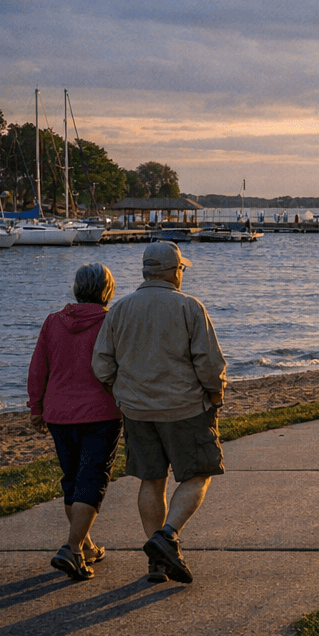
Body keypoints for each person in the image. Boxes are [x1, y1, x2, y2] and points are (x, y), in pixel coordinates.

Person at [94, 241, 227, 585]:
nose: (182, 273)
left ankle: (158, 564)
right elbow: (209, 364)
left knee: (152, 480)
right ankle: (166, 537)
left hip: (137, 411)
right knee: (199, 473)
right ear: (174, 271)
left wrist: (121, 395)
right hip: (185, 408)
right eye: (181, 268)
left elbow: (101, 365)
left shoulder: (120, 310)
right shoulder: (189, 307)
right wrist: (215, 395)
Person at [28, 262, 121, 582]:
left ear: (76, 289)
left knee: (73, 479)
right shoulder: (111, 322)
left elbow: (39, 368)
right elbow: (121, 366)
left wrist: (36, 409)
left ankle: (86, 546)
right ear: (108, 291)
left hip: (59, 414)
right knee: (92, 479)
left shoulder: (53, 322)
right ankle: (72, 548)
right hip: (102, 412)